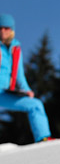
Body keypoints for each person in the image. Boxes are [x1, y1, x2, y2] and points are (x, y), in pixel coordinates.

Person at [0, 14, 53, 143]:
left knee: (36, 105)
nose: (2, 31)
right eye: (0, 28)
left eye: (6, 28)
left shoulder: (16, 49)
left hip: (4, 93)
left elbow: (19, 75)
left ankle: (43, 139)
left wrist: (26, 90)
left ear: (11, 30)